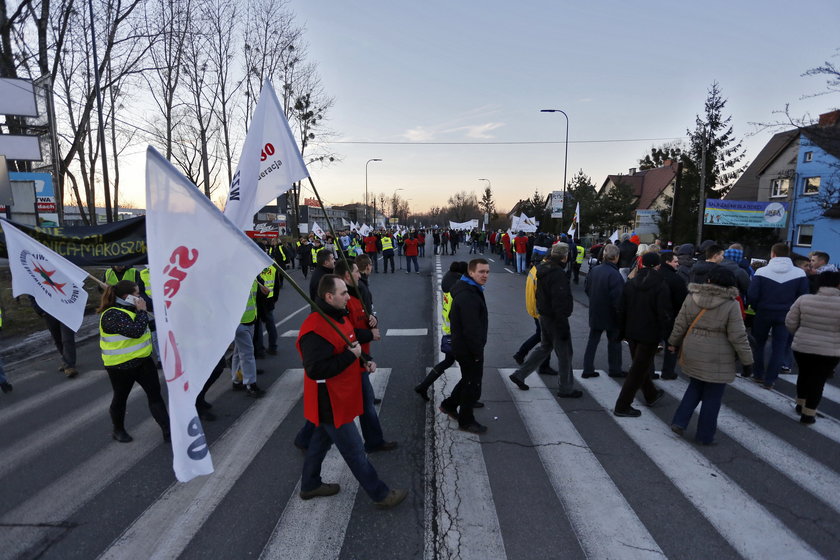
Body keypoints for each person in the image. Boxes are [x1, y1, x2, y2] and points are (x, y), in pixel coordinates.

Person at [296, 274, 407, 508]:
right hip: (330, 401)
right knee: (355, 450)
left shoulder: (339, 316)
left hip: (342, 395)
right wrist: (351, 356)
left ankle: (309, 485)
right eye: (344, 293)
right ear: (329, 296)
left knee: (319, 442)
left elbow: (350, 343)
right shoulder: (315, 328)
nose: (349, 296)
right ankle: (381, 494)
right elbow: (315, 369)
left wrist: (363, 360)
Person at [669, 268, 753, 444]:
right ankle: (705, 436)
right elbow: (738, 335)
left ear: (708, 281)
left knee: (695, 386)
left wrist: (673, 342)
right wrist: (747, 361)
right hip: (718, 353)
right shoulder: (731, 304)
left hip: (693, 346)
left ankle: (679, 421)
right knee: (713, 396)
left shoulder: (692, 296)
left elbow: (680, 323)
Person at [98, 280, 170, 443]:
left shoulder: (133, 309)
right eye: (137, 294)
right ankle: (118, 429)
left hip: (143, 362)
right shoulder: (111, 314)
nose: (141, 297)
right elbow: (135, 331)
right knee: (120, 398)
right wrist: (142, 311)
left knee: (155, 396)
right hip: (120, 366)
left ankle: (168, 431)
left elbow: (148, 327)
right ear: (127, 296)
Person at [508, 244, 581, 398]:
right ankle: (566, 388)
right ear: (565, 256)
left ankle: (520, 374)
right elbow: (559, 300)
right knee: (565, 353)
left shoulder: (542, 269)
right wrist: (562, 325)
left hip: (544, 315)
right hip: (555, 318)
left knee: (545, 347)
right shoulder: (557, 273)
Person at [614, 252, 671, 417]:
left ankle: (651, 394)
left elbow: (621, 308)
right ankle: (622, 405)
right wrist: (665, 334)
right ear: (658, 265)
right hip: (650, 333)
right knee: (638, 369)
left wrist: (622, 331)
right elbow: (664, 312)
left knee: (640, 366)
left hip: (632, 332)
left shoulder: (631, 283)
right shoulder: (661, 284)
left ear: (642, 264)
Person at [747, 243, 809, 389]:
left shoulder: (762, 271)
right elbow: (803, 296)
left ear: (772, 254)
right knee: (779, 347)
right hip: (786, 314)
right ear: (788, 254)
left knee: (758, 344)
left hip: (763, 312)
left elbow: (752, 295)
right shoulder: (799, 273)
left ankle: (758, 374)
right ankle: (770, 380)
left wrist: (755, 308)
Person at [439, 259, 491, 433]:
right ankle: (466, 420)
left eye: (487, 272)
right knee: (472, 384)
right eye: (481, 272)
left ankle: (449, 405)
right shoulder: (467, 294)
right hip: (468, 348)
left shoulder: (468, 288)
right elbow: (471, 328)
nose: (485, 275)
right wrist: (477, 352)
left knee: (468, 380)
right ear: (470, 273)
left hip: (464, 346)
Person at [415, 262, 477, 400]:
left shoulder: (449, 288)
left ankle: (423, 386)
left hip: (449, 332)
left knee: (448, 363)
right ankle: (466, 398)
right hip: (456, 335)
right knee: (468, 369)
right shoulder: (456, 292)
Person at [785, 271, 840, 424]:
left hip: (803, 346)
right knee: (818, 380)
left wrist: (799, 334)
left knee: (804, 374)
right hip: (830, 350)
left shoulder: (804, 299)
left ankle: (800, 404)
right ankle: (808, 414)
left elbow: (790, 321)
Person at [581, 244, 624, 379]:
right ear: (616, 257)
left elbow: (587, 288)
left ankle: (587, 368)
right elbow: (618, 298)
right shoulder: (615, 274)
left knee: (593, 340)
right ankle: (615, 369)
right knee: (615, 342)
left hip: (596, 309)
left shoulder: (595, 270)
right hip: (611, 313)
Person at [512, 255, 557, 376]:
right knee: (546, 339)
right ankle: (543, 365)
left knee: (541, 335)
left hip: (533, 307)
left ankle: (521, 354)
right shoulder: (544, 271)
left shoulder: (536, 268)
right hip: (540, 309)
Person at [231, 279, 265, 398]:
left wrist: (262, 289)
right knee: (247, 354)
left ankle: (236, 380)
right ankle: (250, 385)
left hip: (249, 319)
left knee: (238, 351)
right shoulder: (235, 278)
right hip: (240, 322)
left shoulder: (253, 278)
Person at [30, 298, 79, 378]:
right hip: (49, 313)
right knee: (57, 339)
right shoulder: (34, 284)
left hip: (65, 309)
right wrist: (40, 311)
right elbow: (32, 296)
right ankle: (66, 360)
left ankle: (69, 366)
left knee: (67, 338)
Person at [659, 251, 689, 380]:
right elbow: (682, 301)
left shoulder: (656, 275)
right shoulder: (677, 279)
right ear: (667, 262)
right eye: (675, 261)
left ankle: (648, 372)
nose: (678, 264)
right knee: (671, 345)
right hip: (671, 317)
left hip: (654, 317)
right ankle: (668, 371)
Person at [253, 264, 280, 357]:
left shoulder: (254, 266)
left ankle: (260, 350)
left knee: (258, 325)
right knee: (270, 323)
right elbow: (277, 285)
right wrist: (274, 298)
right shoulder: (272, 266)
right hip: (269, 299)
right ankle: (273, 347)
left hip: (258, 300)